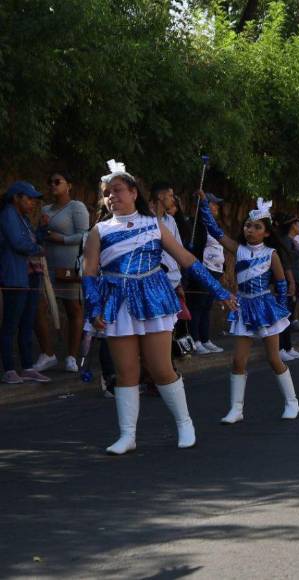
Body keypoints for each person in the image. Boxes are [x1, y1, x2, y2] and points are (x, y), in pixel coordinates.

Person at [82, 167, 236, 455]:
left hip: (153, 298)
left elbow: (187, 259)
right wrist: (93, 308)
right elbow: (89, 272)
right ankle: (127, 436)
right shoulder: (98, 231)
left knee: (161, 368)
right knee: (126, 372)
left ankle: (184, 423)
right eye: (106, 193)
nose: (111, 196)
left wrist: (220, 291)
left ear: (133, 193)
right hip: (118, 302)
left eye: (117, 190)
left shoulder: (153, 225)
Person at [196, 193, 299, 424]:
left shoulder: (271, 254)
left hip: (265, 308)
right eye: (247, 225)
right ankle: (236, 409)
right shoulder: (238, 248)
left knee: (273, 358)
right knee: (238, 361)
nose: (250, 230)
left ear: (267, 232)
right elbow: (215, 230)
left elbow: (281, 284)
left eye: (256, 227)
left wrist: (282, 311)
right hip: (244, 307)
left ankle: (292, 401)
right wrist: (204, 204)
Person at [32, 171, 90, 373]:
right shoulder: (46, 209)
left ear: (69, 185)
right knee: (40, 307)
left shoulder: (76, 207)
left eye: (58, 181)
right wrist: (42, 232)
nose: (53, 185)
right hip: (48, 265)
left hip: (69, 266)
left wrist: (62, 239)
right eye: (50, 182)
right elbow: (40, 235)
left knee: (73, 308)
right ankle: (47, 353)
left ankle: (72, 357)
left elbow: (85, 235)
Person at [0, 182, 51, 384]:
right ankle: (10, 369)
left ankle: (28, 367)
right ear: (16, 198)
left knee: (27, 323)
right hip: (14, 276)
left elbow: (28, 241)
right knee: (11, 325)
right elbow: (19, 244)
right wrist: (38, 248)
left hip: (27, 275)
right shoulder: (8, 215)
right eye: (28, 198)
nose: (32, 202)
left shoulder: (21, 217)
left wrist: (42, 230)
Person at [187, 192, 225, 354]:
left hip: (215, 270)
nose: (216, 207)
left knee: (207, 306)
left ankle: (205, 338)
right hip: (203, 270)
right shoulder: (196, 224)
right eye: (213, 203)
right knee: (197, 305)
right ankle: (195, 340)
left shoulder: (214, 225)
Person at [276, 213, 299, 359]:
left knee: (289, 317)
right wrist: (292, 282)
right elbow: (285, 264)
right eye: (297, 224)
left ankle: (288, 347)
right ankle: (280, 348)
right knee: (283, 316)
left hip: (296, 281)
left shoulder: (292, 241)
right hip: (288, 282)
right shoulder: (284, 242)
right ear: (291, 226)